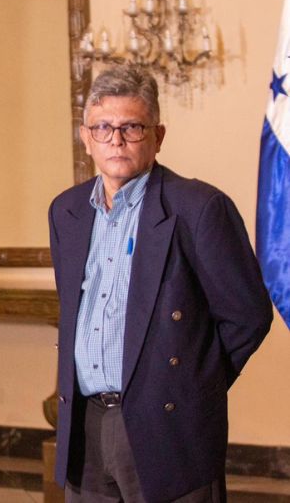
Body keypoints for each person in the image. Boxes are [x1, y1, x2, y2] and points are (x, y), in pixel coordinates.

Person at [48, 65, 273, 502]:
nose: (116, 140)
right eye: (103, 128)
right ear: (86, 137)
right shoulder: (66, 210)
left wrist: (190, 384)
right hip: (85, 424)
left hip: (167, 427)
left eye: (132, 128)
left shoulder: (199, 207)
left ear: (158, 135)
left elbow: (248, 316)